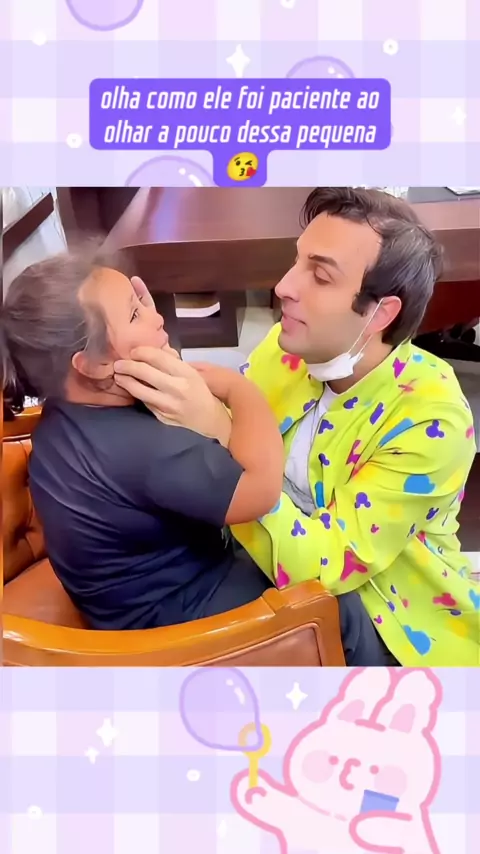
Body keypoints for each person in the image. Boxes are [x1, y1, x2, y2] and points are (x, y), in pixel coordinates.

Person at [120, 188, 479, 666]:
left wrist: (222, 432)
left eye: (321, 276)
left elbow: (323, 566)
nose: (285, 286)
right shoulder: (288, 348)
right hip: (268, 567)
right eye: (297, 261)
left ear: (381, 313)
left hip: (386, 613)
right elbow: (227, 419)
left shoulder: (431, 419)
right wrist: (161, 361)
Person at [1, 245, 285, 630]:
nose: (157, 316)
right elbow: (261, 491)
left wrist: (157, 347)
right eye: (136, 312)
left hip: (123, 601)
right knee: (341, 603)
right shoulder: (141, 450)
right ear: (94, 364)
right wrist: (240, 388)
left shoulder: (68, 410)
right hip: (180, 615)